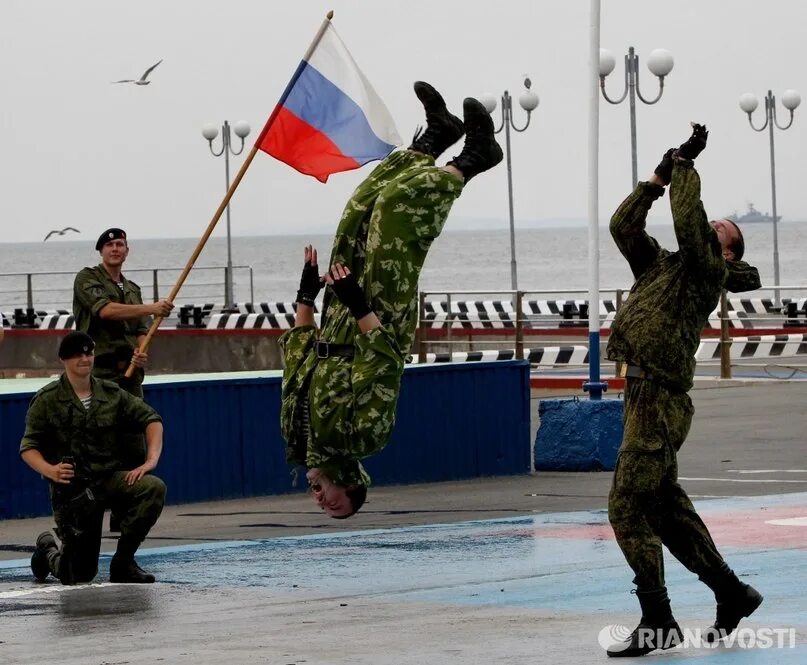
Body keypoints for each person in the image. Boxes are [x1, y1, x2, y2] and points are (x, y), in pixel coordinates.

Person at [279, 81, 503, 519]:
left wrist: (306, 295)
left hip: (338, 315)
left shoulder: (294, 437)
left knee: (359, 209)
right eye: (336, 505)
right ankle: (472, 160)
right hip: (377, 317)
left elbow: (297, 358)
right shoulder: (363, 440)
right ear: (352, 484)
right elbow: (383, 361)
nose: (322, 501)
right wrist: (360, 303)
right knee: (396, 210)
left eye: (323, 505)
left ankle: (433, 138)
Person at [605, 124, 764, 657]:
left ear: (728, 256)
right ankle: (731, 592)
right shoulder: (662, 267)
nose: (710, 227)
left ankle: (657, 618)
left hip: (661, 401)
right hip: (642, 396)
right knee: (666, 512)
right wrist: (656, 177)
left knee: (626, 506)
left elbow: (690, 225)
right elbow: (623, 226)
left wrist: (686, 165)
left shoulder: (704, 271)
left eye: (721, 230)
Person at [21, 331, 166, 584]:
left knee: (152, 488)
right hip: (75, 492)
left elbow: (151, 419)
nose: (85, 359)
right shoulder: (47, 399)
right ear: (63, 360)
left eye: (89, 353)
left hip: (109, 480)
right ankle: (47, 551)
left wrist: (151, 460)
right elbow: (28, 447)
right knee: (77, 575)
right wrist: (50, 470)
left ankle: (123, 563)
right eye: (77, 355)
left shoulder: (111, 393)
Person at [73, 228, 174, 400]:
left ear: (127, 251)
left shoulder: (133, 289)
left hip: (130, 374)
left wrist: (141, 352)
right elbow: (106, 310)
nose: (114, 249)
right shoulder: (87, 278)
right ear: (101, 251)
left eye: (120, 245)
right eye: (109, 245)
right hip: (98, 374)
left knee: (136, 423)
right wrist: (153, 308)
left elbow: (142, 329)